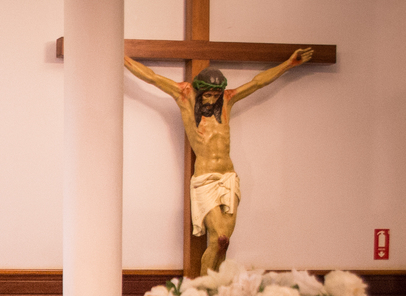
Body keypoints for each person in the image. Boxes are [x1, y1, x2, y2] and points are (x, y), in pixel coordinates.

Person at [123, 48, 314, 275]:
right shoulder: (185, 96)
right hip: (205, 179)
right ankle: (202, 289)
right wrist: (121, 57)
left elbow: (258, 83)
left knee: (223, 243)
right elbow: (151, 77)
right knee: (219, 237)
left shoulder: (226, 101)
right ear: (199, 90)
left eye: (215, 95)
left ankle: (214, 288)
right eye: (208, 95)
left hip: (229, 177)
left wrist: (289, 63)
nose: (212, 100)